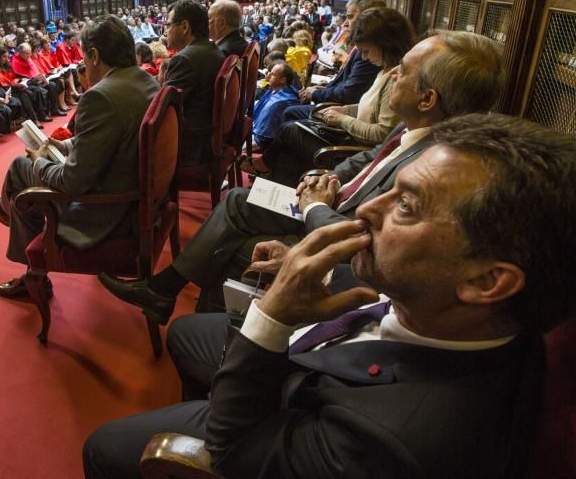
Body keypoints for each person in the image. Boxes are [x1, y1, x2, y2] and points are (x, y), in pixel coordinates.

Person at [83, 113, 576, 479]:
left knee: (105, 446)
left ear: (487, 282)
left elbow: (236, 451)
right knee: (183, 331)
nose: (368, 208)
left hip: (271, 423)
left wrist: (271, 315)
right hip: (329, 361)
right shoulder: (452, 305)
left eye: (407, 207)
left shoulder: (396, 441)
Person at [99, 31, 505, 325]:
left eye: (406, 70)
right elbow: (367, 159)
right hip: (331, 204)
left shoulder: (436, 167)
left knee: (237, 237)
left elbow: (365, 237)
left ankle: (198, 317)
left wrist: (315, 207)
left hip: (340, 241)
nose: (393, 71)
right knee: (240, 199)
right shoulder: (412, 128)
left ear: (427, 99)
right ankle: (166, 292)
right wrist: (322, 174)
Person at [0, 15, 158, 299]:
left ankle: (18, 234)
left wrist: (40, 160)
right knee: (28, 177)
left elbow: (73, 183)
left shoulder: (100, 97)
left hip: (106, 213)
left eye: (85, 55)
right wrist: (62, 146)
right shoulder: (146, 80)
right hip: (137, 196)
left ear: (94, 55)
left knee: (21, 172)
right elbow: (114, 135)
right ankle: (10, 211)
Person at [249, 7, 414, 184]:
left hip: (356, 149)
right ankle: (276, 186)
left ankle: (271, 178)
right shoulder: (385, 69)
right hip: (353, 135)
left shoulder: (395, 79)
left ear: (385, 44)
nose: (364, 58)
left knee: (290, 131)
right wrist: (346, 109)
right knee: (290, 136)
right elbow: (372, 108)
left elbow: (382, 133)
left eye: (366, 51)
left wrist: (342, 119)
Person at [282, 0, 387, 123]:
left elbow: (350, 93)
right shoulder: (361, 47)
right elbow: (347, 82)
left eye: (350, 17)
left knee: (289, 112)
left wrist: (315, 93)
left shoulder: (369, 52)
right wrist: (325, 87)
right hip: (340, 104)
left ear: (369, 17)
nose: (346, 23)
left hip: (345, 113)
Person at [163, 0, 225, 166]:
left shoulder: (184, 59)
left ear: (185, 27)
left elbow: (163, 110)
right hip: (206, 135)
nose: (165, 31)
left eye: (168, 25)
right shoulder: (212, 49)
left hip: (190, 145)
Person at [250, 61, 298, 146]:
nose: (267, 76)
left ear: (283, 80)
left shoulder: (278, 103)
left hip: (262, 139)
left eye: (272, 74)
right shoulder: (280, 89)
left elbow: (263, 137)